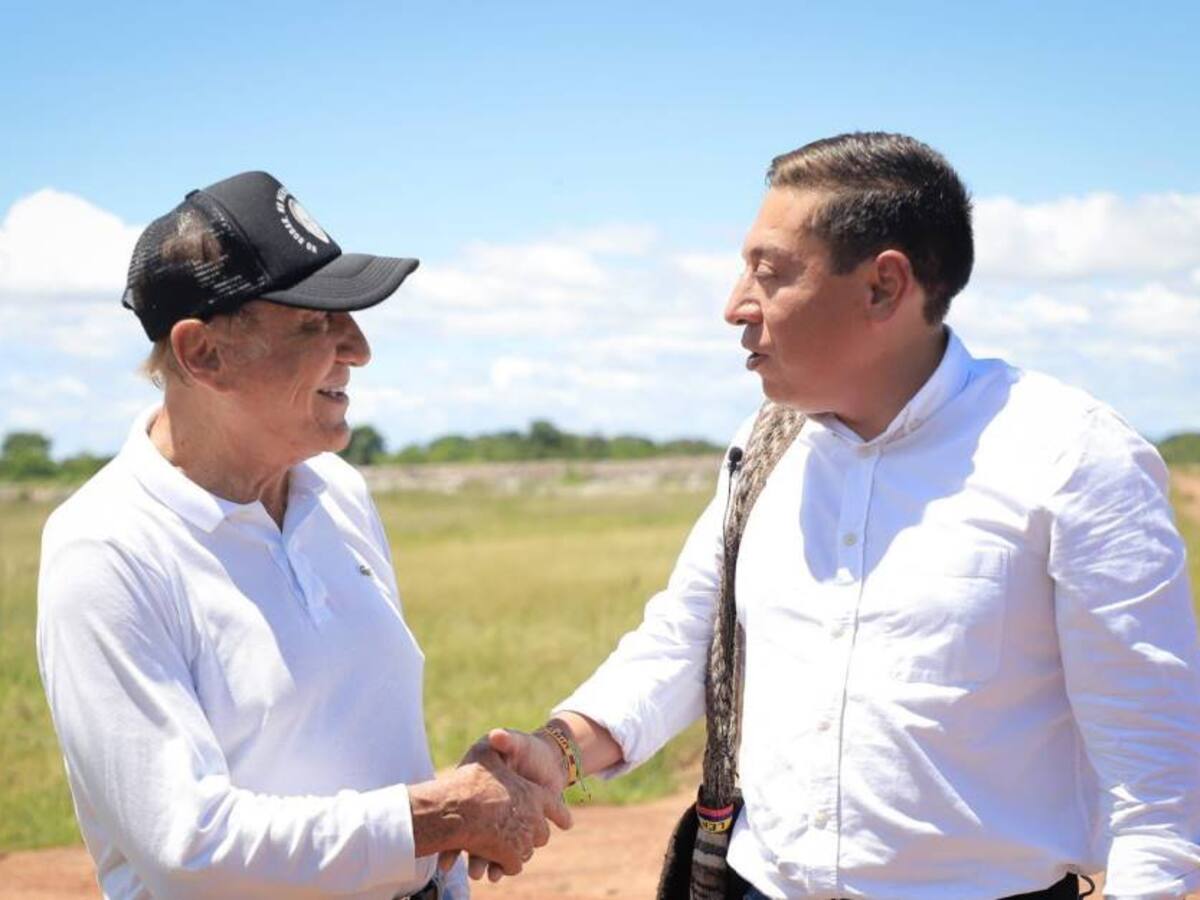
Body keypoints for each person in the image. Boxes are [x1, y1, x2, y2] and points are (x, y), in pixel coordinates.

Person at [468, 133, 1200, 898]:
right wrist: (559, 748)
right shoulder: (764, 447)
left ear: (884, 287)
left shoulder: (1076, 458)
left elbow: (1158, 788)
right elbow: (683, 644)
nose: (734, 305)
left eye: (770, 272)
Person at [36, 171, 569, 900]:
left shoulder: (337, 492)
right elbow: (188, 845)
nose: (358, 347)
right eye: (315, 323)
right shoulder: (106, 549)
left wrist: (451, 814)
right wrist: (440, 815)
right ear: (203, 355)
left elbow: (353, 746)